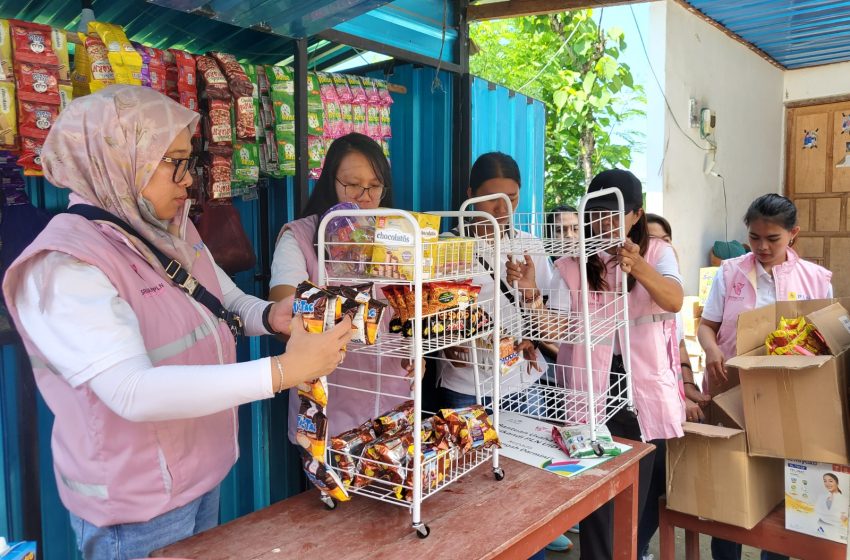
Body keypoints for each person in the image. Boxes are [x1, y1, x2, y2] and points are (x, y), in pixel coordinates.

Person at [1, 86, 352, 559]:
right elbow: (131, 391)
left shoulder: (167, 228)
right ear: (122, 160)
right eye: (176, 162)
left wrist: (270, 316)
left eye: (191, 163)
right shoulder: (67, 266)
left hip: (198, 475)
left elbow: (219, 295)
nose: (189, 181)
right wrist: (284, 372)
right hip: (137, 508)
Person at [508, 169, 686, 560]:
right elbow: (553, 327)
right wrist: (531, 294)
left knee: (635, 506)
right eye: (595, 213)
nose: (601, 223)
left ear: (635, 215)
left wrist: (637, 267)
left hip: (643, 397)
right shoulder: (574, 263)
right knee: (596, 509)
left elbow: (674, 300)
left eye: (612, 214)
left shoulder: (657, 252)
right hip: (591, 399)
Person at [437, 152, 570, 558]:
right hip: (465, 391)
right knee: (470, 492)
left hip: (522, 386)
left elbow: (552, 328)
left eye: (511, 198)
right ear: (469, 196)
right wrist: (450, 344)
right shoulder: (445, 248)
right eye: (491, 199)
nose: (502, 210)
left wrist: (529, 290)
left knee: (523, 485)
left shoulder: (529, 245)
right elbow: (427, 324)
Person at [698, 193, 832, 560]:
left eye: (773, 239)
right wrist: (711, 350)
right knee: (730, 480)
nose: (762, 247)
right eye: (755, 237)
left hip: (788, 398)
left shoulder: (816, 279)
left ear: (794, 235)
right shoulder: (730, 272)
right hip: (732, 390)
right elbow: (707, 326)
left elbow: (827, 340)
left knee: (784, 484)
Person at [268, 132, 412, 444]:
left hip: (394, 413)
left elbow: (408, 310)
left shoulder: (396, 237)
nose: (365, 195)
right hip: (328, 421)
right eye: (352, 184)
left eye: (374, 186)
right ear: (329, 182)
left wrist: (414, 348)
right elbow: (282, 311)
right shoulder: (300, 238)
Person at [646, 213, 711, 423]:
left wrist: (688, 386)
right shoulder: (635, 299)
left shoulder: (671, 293)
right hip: (651, 405)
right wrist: (677, 400)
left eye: (666, 240)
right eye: (651, 241)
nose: (663, 248)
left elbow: (679, 345)